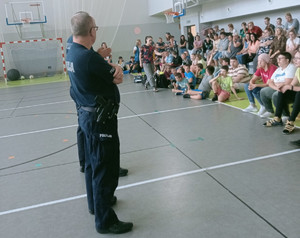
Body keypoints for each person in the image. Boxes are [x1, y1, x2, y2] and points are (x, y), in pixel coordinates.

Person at [66, 12, 133, 234]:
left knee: (93, 165)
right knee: (105, 167)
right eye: (95, 28)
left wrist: (98, 55)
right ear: (91, 32)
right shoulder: (89, 59)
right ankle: (106, 221)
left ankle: (96, 204)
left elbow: (93, 61)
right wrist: (116, 66)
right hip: (100, 119)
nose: (96, 31)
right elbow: (116, 76)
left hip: (87, 115)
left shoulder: (71, 48)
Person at [263, 50, 300, 134]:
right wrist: (283, 87)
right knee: (283, 90)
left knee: (299, 94)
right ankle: (277, 118)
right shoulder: (298, 70)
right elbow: (292, 85)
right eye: (295, 58)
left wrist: (289, 86)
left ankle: (290, 121)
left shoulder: (293, 68)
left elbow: (291, 86)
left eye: (298, 58)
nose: (295, 60)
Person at [260, 52, 297, 118]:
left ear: (287, 60)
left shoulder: (291, 67)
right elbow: (270, 82)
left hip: (290, 90)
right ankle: (270, 111)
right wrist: (276, 87)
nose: (278, 60)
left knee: (276, 95)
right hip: (278, 88)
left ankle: (285, 115)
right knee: (263, 91)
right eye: (277, 58)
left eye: (280, 58)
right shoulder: (278, 69)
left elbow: (288, 83)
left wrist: (277, 85)